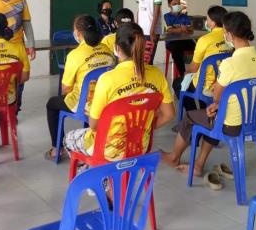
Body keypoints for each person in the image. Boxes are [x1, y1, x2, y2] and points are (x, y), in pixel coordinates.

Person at [162, 12, 256, 189]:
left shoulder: (230, 64)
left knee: (193, 116)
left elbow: (217, 96)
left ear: (230, 35)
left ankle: (174, 157)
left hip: (231, 125)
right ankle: (198, 164)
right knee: (213, 115)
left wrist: (216, 104)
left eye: (225, 31)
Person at [65, 22, 174, 161]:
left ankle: (93, 172)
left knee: (68, 139)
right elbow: (169, 114)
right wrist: (141, 131)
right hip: (140, 146)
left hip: (109, 150)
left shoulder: (107, 79)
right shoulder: (157, 75)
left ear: (117, 48)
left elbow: (94, 125)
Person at [45, 15, 115, 160]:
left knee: (52, 104)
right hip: (105, 101)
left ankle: (57, 149)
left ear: (78, 33)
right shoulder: (107, 49)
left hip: (85, 104)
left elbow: (66, 89)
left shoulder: (75, 55)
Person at [176, 5, 230, 111]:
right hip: (224, 82)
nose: (206, 21)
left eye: (207, 19)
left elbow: (193, 68)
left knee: (178, 84)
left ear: (213, 23)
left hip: (206, 85)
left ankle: (195, 112)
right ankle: (207, 110)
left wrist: (186, 73)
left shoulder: (204, 40)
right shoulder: (230, 37)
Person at [164, 0, 196, 84]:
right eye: (174, 4)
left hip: (185, 41)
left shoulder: (184, 16)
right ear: (169, 5)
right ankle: (183, 75)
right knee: (177, 51)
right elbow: (169, 30)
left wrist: (187, 28)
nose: (177, 6)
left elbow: (191, 29)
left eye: (178, 3)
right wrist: (181, 29)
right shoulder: (166, 17)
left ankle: (197, 73)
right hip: (172, 42)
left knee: (198, 47)